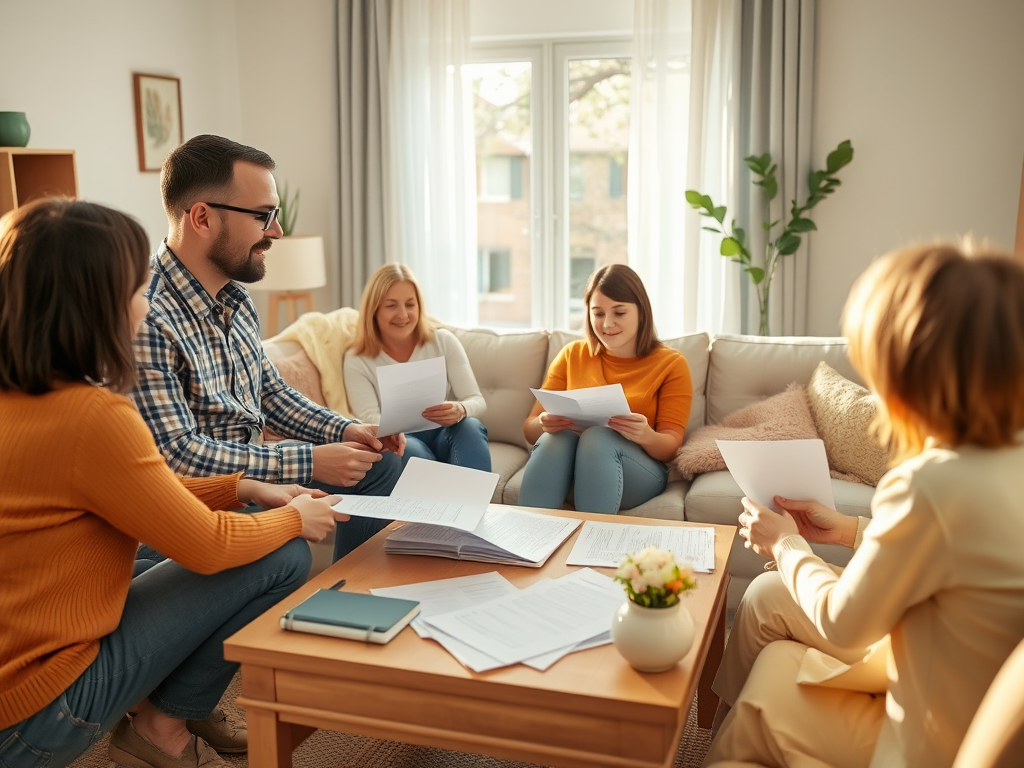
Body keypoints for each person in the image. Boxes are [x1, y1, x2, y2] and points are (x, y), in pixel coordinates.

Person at [0, 199, 347, 768]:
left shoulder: (25, 396)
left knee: (149, 559)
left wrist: (238, 488)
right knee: (282, 553)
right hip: (34, 712)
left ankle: (162, 707)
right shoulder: (91, 415)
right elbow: (206, 547)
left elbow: (137, 493)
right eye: (137, 291)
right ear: (95, 305)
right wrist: (293, 518)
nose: (146, 306)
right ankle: (164, 725)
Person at [705, 242, 1024, 768]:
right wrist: (852, 530)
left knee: (767, 692)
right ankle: (717, 735)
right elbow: (958, 554)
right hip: (955, 685)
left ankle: (725, 746)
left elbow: (843, 623)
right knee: (765, 598)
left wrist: (784, 543)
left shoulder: (933, 482)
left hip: (929, 739)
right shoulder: (1002, 459)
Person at [130, 134, 402, 563]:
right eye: (263, 216)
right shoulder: (145, 316)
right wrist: (309, 461)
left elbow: (270, 394)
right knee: (290, 550)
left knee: (378, 463)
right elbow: (178, 456)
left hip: (254, 474)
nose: (276, 231)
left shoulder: (235, 300)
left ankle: (349, 595)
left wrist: (348, 430)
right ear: (202, 218)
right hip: (198, 503)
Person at [518, 264, 692, 514]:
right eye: (598, 314)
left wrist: (644, 434)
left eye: (619, 313)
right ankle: (527, 541)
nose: (607, 324)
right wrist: (545, 423)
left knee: (598, 436)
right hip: (570, 466)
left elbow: (671, 447)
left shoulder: (671, 364)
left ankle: (592, 546)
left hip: (636, 471)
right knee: (554, 439)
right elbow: (530, 428)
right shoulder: (572, 355)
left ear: (641, 312)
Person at [344, 264, 491, 472]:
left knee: (471, 426)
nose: (403, 314)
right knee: (407, 449)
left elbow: (477, 400)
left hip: (445, 434)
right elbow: (369, 418)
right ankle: (445, 497)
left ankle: (476, 502)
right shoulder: (357, 359)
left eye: (410, 304)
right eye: (391, 305)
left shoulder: (443, 341)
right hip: (402, 440)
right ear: (374, 310)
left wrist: (461, 410)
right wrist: (395, 432)